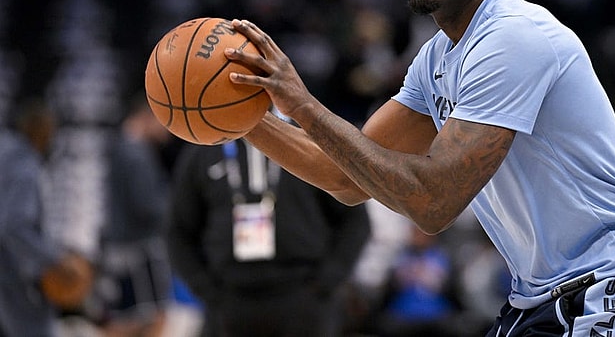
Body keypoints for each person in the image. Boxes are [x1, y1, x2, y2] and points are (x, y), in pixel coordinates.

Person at [224, 0, 615, 335]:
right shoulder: (437, 58)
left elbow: (435, 202)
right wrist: (241, 118)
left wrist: (301, 104)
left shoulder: (513, 36)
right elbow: (347, 176)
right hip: (540, 295)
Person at [167, 134, 371, 337]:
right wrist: (207, 289)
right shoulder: (202, 152)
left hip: (302, 293)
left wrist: (327, 279)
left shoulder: (308, 145)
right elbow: (178, 230)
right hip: (231, 297)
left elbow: (355, 220)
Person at [0, 98, 93, 336]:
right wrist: (54, 260)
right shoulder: (24, 166)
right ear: (40, 129)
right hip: (13, 270)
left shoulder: (5, 149)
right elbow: (14, 226)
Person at [94, 95, 174, 337]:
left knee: (122, 316)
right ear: (149, 116)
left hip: (117, 248)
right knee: (153, 318)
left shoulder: (118, 145)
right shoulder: (137, 154)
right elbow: (148, 206)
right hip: (138, 252)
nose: (169, 131)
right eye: (165, 122)